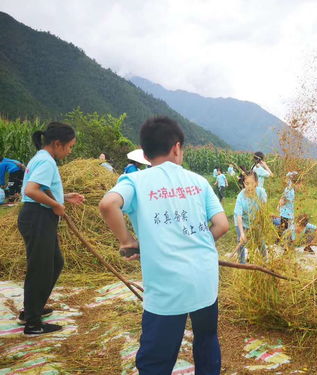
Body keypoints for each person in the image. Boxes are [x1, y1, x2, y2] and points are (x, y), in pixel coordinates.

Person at [99, 116, 229, 374]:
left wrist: (127, 242)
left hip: (166, 287)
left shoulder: (135, 181)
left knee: (156, 359)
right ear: (177, 148)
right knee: (206, 340)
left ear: (146, 154)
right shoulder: (199, 181)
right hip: (204, 279)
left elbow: (107, 204)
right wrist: (196, 241)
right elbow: (222, 225)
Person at [17, 122, 85, 335]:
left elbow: (42, 188)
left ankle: (32, 309)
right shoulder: (47, 162)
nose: (70, 150)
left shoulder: (42, 158)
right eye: (69, 146)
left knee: (55, 263)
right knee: (41, 268)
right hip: (38, 217)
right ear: (57, 143)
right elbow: (31, 190)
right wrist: (56, 205)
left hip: (37, 216)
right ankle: (32, 323)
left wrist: (64, 197)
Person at [233, 171, 267, 264]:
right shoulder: (241, 197)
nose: (249, 186)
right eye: (247, 183)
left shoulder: (261, 192)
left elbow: (263, 208)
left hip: (255, 221)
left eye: (252, 183)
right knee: (241, 242)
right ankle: (242, 263)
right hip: (241, 222)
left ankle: (265, 261)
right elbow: (239, 216)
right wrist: (242, 233)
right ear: (244, 183)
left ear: (256, 183)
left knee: (260, 241)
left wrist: (260, 222)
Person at [277, 171, 298, 239]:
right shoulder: (288, 189)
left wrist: (280, 204)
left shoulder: (290, 189)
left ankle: (283, 240)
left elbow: (284, 199)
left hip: (287, 212)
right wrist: (279, 204)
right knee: (285, 227)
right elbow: (283, 198)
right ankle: (282, 240)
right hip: (286, 212)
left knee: (285, 227)